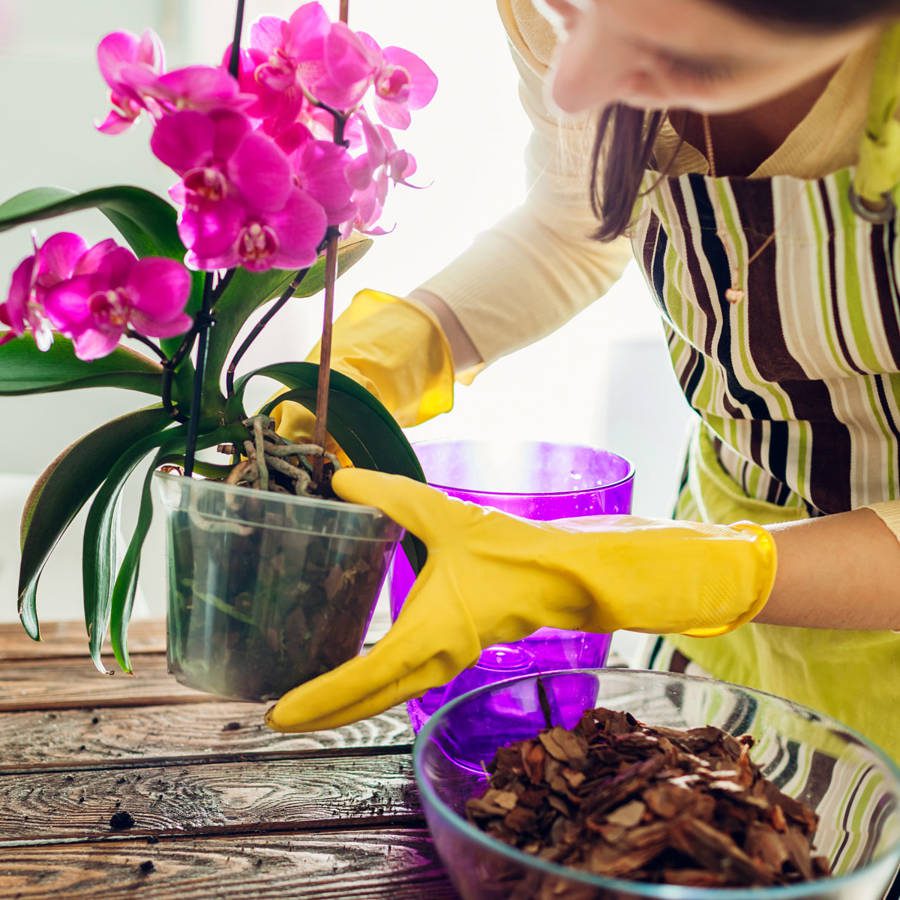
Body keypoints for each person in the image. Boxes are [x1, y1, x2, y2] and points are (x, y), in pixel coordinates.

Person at [265, 0, 900, 760]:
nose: (573, 83)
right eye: (567, 14)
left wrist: (708, 570)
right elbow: (576, 216)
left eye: (661, 48)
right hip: (726, 643)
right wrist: (397, 352)